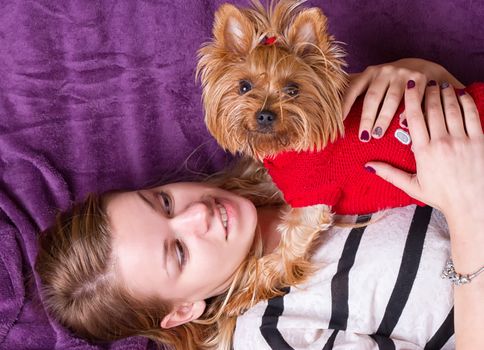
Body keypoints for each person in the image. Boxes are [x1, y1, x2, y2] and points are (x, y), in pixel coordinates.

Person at [34, 58, 483, 350]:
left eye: (164, 202)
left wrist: (423, 78)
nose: (197, 215)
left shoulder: (284, 151)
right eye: (178, 251)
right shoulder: (269, 333)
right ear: (183, 310)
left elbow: (456, 144)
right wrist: (469, 214)